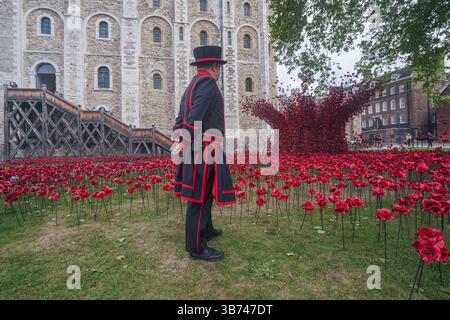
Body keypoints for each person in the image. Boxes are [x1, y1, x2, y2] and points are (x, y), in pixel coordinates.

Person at [171, 45, 236, 262]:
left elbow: (181, 117)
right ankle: (196, 247)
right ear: (215, 66)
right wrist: (184, 143)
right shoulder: (208, 83)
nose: (219, 73)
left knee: (205, 193)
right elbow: (194, 116)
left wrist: (180, 139)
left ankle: (206, 230)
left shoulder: (191, 85)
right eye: (219, 68)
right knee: (198, 198)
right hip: (204, 149)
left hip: (197, 147)